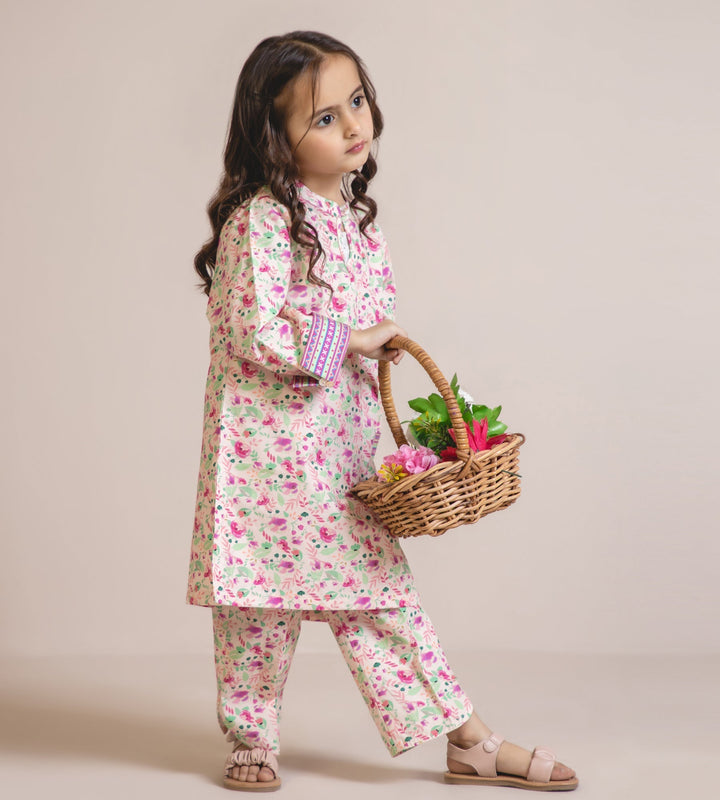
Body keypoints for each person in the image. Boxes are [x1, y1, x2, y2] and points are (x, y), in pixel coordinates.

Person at [187, 30, 578, 793]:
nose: (352, 125)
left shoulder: (360, 225)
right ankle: (253, 738)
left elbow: (361, 336)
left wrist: (385, 375)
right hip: (263, 460)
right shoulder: (262, 220)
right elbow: (250, 332)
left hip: (339, 456)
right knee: (254, 607)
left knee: (379, 599)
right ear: (277, 137)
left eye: (357, 101)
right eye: (324, 117)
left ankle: (468, 739)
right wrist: (353, 339)